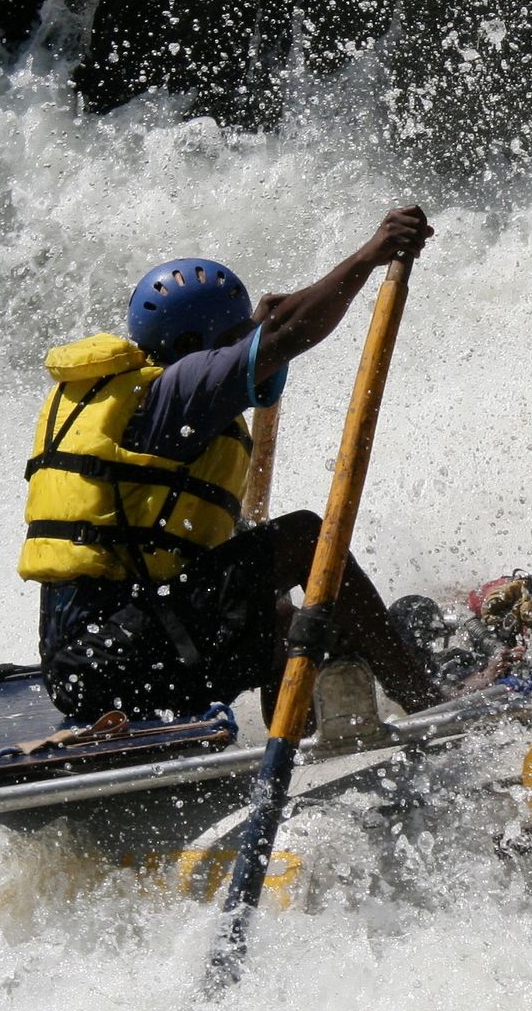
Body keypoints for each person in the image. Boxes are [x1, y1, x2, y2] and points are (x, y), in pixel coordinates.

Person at [23, 209, 443, 724]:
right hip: (122, 665)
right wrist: (368, 257)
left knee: (285, 593)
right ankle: (424, 699)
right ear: (188, 346)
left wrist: (252, 325)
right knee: (306, 540)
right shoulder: (173, 391)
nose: (240, 351)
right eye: (229, 338)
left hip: (94, 661)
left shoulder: (137, 390)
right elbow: (286, 337)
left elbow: (253, 340)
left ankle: (301, 730)